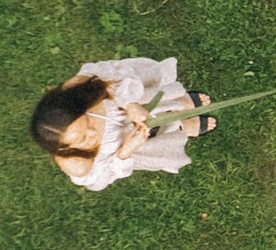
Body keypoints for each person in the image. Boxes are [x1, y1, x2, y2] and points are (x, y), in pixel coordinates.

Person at [30, 57, 213, 191]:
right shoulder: (75, 163)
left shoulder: (77, 89)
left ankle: (179, 102)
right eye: (83, 138)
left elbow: (112, 72)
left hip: (133, 106)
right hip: (132, 143)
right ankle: (181, 127)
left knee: (156, 103)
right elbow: (102, 179)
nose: (93, 133)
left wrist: (129, 103)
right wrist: (125, 151)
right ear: (65, 149)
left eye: (88, 122)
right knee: (158, 134)